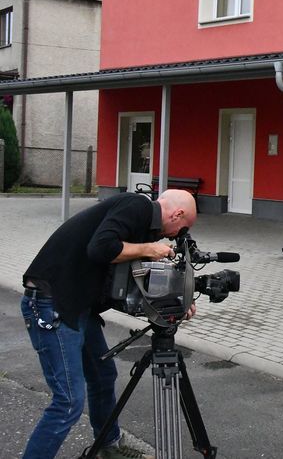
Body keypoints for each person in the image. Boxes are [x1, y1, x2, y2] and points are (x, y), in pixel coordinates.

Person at [20, 189, 197, 459]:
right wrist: (149, 250)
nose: (174, 236)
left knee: (103, 377)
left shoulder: (143, 227)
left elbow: (126, 280)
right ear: (177, 214)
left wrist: (177, 297)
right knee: (68, 402)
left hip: (78, 305)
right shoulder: (137, 206)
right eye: (181, 228)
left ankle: (109, 446)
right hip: (51, 302)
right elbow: (101, 248)